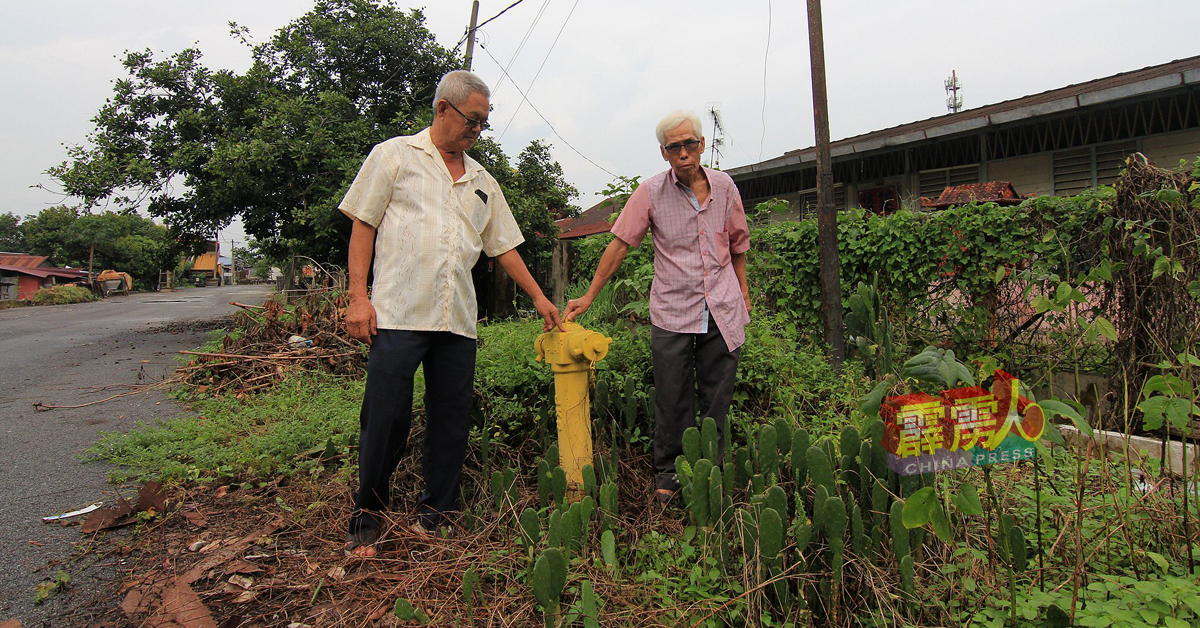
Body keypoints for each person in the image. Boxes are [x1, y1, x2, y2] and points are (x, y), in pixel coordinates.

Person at [340, 70, 562, 556]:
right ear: (443, 109)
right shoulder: (395, 156)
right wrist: (359, 298)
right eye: (472, 120)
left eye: (485, 123)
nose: (477, 130)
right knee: (386, 417)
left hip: (457, 321)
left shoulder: (483, 180)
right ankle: (368, 513)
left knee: (451, 420)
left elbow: (503, 247)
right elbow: (363, 225)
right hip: (398, 313)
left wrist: (540, 298)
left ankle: (436, 515)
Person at [565, 110, 751, 504]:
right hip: (673, 310)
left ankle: (710, 469)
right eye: (674, 147)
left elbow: (738, 245)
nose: (683, 153)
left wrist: (744, 294)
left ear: (701, 146)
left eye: (690, 144)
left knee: (718, 394)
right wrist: (589, 295)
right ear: (663, 153)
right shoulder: (650, 192)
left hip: (723, 307)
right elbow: (619, 244)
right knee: (672, 394)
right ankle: (669, 472)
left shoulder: (725, 186)